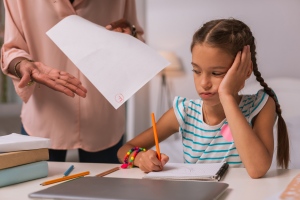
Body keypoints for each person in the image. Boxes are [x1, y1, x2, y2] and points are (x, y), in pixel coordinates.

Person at [117, 18, 290, 178]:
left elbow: (257, 169)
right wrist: (140, 159)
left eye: (216, 73)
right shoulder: (184, 112)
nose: (204, 83)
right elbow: (124, 149)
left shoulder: (261, 105)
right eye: (197, 71)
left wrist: (226, 96)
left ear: (245, 70)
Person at [1, 0, 144, 163]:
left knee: (106, 187)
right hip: (44, 118)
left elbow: (137, 35)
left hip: (103, 119)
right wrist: (22, 65)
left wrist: (129, 36)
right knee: (35, 188)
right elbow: (11, 50)